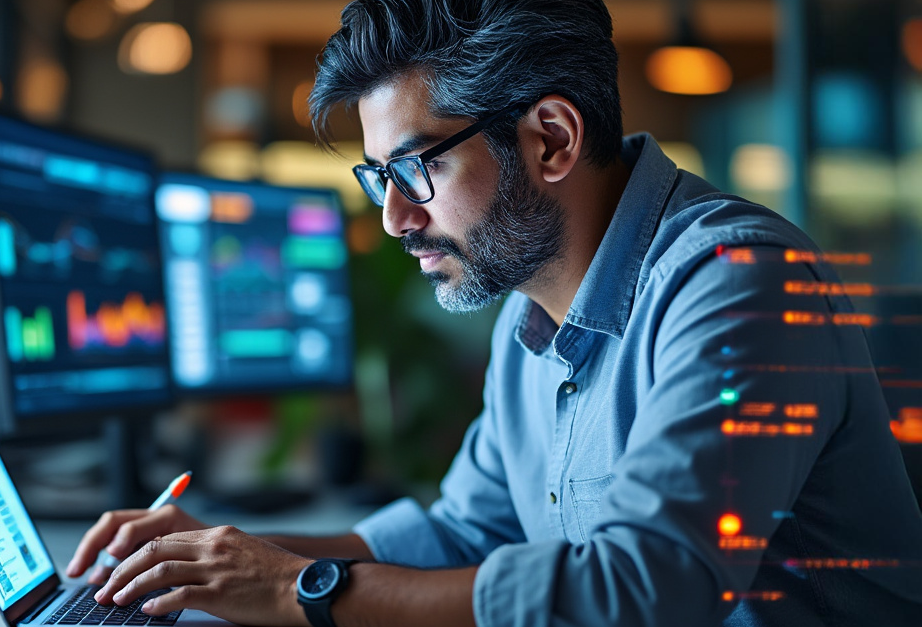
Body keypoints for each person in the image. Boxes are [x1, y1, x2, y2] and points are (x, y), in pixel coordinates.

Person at [65, 1, 922, 625]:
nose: (396, 217)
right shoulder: (533, 317)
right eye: (378, 178)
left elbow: (650, 588)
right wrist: (223, 555)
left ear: (550, 137)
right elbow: (464, 531)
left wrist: (294, 591)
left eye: (415, 168)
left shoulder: (738, 283)